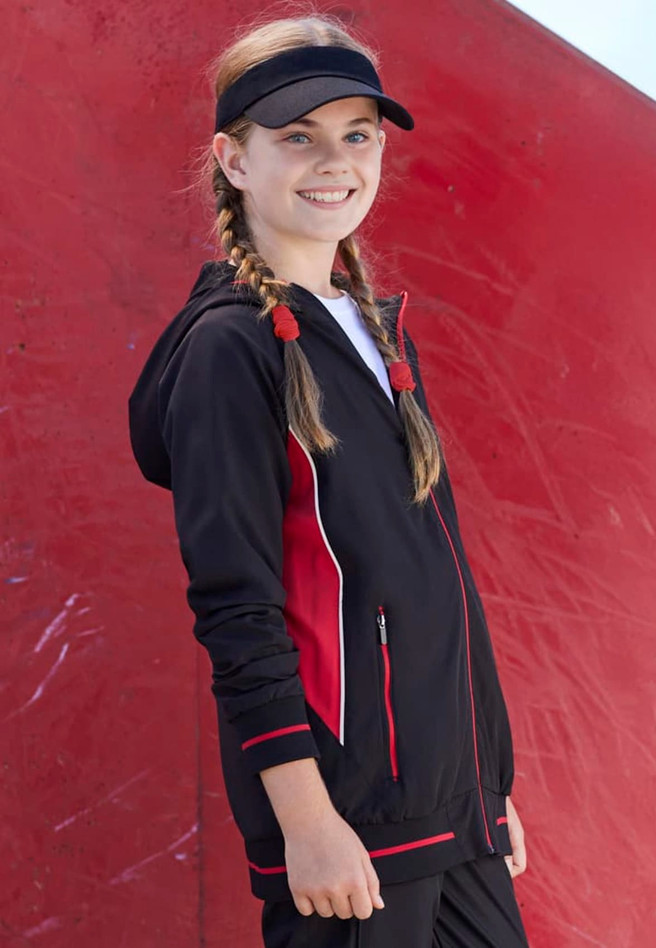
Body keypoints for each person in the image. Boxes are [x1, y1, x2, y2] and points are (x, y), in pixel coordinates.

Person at [128, 12, 530, 948]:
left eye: (357, 134)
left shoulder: (377, 332)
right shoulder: (230, 349)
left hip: (454, 811)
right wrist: (306, 825)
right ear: (233, 159)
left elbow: (443, 576)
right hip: (349, 825)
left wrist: (491, 785)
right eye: (296, 136)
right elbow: (238, 607)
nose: (333, 160)